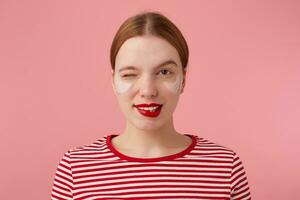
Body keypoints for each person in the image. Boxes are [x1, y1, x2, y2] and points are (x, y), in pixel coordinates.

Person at [50, 11, 251, 200]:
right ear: (113, 81)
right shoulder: (75, 168)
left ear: (183, 79)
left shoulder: (225, 167)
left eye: (164, 72)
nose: (147, 90)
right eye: (130, 74)